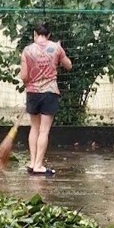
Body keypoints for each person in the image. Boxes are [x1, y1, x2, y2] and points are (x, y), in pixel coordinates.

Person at [20, 23, 72, 176]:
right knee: (44, 130)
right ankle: (38, 165)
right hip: (50, 92)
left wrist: (29, 82)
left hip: (32, 92)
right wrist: (60, 52)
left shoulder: (27, 50)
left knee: (34, 128)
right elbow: (69, 65)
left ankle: (32, 162)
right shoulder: (56, 48)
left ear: (35, 34)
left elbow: (23, 76)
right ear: (49, 35)